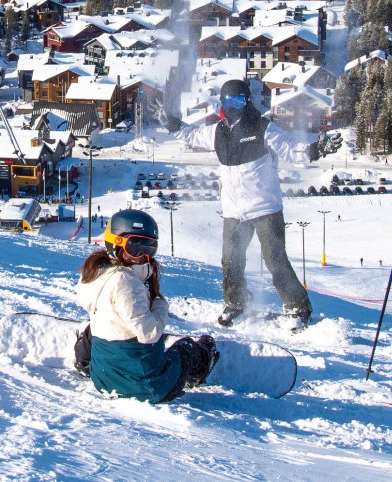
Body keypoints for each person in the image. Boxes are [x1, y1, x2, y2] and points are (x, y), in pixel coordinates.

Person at [167, 78, 319, 330]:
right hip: (234, 210)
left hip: (265, 207)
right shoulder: (218, 131)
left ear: (247, 101)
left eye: (238, 100)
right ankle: (236, 302)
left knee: (275, 260)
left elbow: (291, 149)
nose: (233, 105)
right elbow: (192, 135)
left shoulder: (262, 127)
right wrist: (173, 125)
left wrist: (315, 149)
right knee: (230, 260)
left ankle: (297, 306)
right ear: (222, 103)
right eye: (228, 101)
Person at [73, 209, 217, 403]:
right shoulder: (127, 282)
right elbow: (150, 333)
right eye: (134, 247)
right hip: (148, 387)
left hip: (102, 379)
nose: (141, 256)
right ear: (115, 242)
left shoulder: (93, 274)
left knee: (99, 323)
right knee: (187, 349)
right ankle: (201, 367)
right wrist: (160, 304)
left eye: (149, 249)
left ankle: (84, 363)